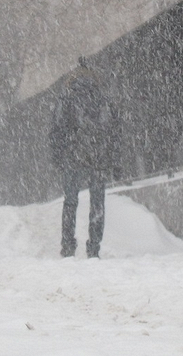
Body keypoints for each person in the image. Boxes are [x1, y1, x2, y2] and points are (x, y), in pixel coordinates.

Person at [49, 57, 120, 259]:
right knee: (97, 203)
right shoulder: (103, 98)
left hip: (73, 157)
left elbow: (56, 130)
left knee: (70, 202)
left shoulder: (66, 98)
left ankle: (68, 245)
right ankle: (94, 248)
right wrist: (114, 159)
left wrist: (58, 156)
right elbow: (114, 132)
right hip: (99, 158)